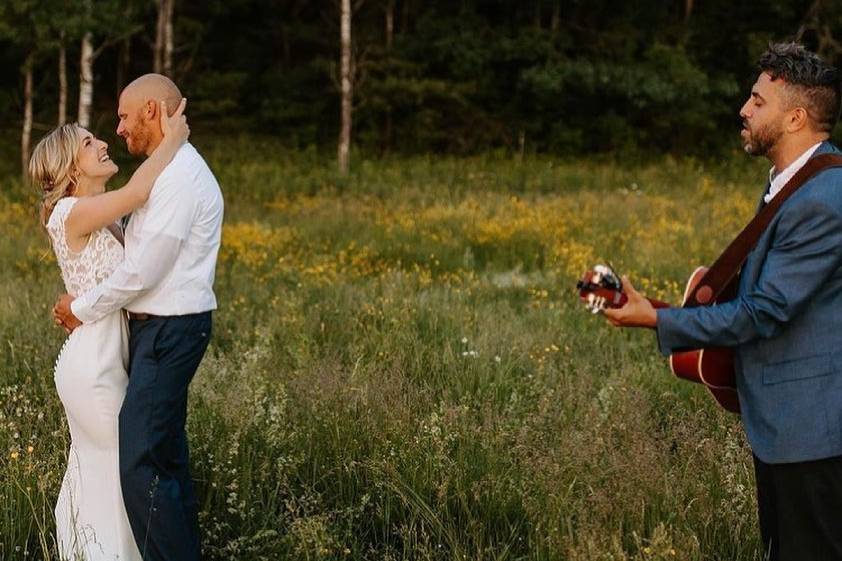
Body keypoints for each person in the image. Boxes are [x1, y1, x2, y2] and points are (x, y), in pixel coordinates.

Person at [604, 42, 842, 561]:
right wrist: (659, 307)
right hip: (784, 425)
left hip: (813, 434)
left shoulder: (825, 198)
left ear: (796, 116)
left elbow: (765, 312)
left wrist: (659, 320)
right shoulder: (789, 184)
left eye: (758, 101)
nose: (744, 109)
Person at [52, 74, 224, 561]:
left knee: (141, 459)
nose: (118, 129)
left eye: (126, 116)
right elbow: (127, 241)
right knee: (158, 455)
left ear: (152, 110)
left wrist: (80, 307)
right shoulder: (159, 174)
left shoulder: (179, 179)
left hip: (169, 330)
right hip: (134, 338)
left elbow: (141, 271)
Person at [30, 100, 189, 560]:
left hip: (110, 357)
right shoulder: (69, 213)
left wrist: (76, 304)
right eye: (88, 142)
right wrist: (172, 137)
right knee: (120, 479)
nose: (102, 142)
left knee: (115, 479)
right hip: (94, 369)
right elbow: (140, 190)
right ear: (69, 168)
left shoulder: (102, 216)